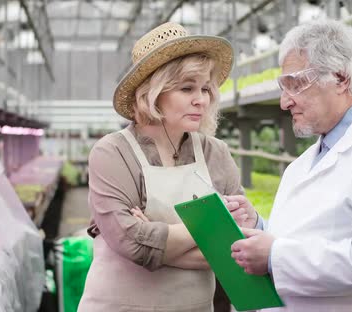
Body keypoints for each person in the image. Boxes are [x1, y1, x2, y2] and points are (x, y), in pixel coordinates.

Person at [225, 19, 352, 311]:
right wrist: (258, 225)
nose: (285, 102)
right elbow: (310, 235)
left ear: (341, 78)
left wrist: (274, 256)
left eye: (295, 84)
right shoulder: (308, 159)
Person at [78, 22, 241, 312]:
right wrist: (209, 227)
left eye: (205, 89)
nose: (200, 99)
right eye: (186, 88)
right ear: (152, 92)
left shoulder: (216, 153)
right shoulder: (113, 153)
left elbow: (236, 249)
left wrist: (157, 237)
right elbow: (132, 245)